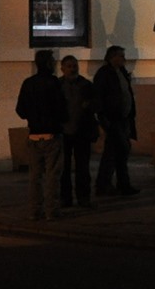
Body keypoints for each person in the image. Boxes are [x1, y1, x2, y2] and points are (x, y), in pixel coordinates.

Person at [14, 50, 65, 221]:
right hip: (52, 134)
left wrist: (33, 116)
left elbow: (20, 110)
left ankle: (35, 210)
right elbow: (61, 107)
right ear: (49, 63)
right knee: (52, 175)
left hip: (34, 134)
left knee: (35, 176)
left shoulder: (28, 83)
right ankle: (52, 210)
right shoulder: (53, 82)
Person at [92, 45, 139, 196]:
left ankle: (120, 183)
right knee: (115, 150)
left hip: (123, 117)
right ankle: (106, 184)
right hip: (113, 118)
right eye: (121, 56)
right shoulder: (105, 74)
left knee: (120, 151)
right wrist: (103, 117)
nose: (124, 59)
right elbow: (99, 97)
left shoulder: (121, 72)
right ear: (112, 57)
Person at [57, 54, 98, 210]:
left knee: (82, 167)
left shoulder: (86, 85)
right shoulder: (58, 85)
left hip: (82, 131)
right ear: (62, 68)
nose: (73, 69)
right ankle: (65, 198)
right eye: (69, 66)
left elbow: (97, 103)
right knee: (64, 168)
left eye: (75, 66)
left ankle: (83, 197)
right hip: (64, 132)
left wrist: (89, 105)